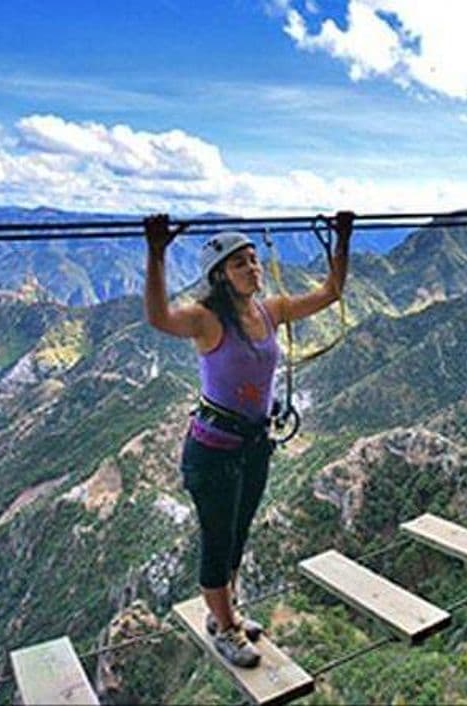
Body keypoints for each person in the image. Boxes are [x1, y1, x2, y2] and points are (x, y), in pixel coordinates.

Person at [143, 211, 353, 668]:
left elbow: (331, 293)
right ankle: (225, 627)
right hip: (213, 452)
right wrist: (156, 252)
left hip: (254, 446)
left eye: (254, 260)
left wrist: (342, 238)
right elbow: (159, 317)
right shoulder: (206, 320)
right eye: (241, 264)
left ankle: (226, 614)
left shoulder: (269, 310)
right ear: (220, 276)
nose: (253, 268)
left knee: (237, 536)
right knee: (217, 541)